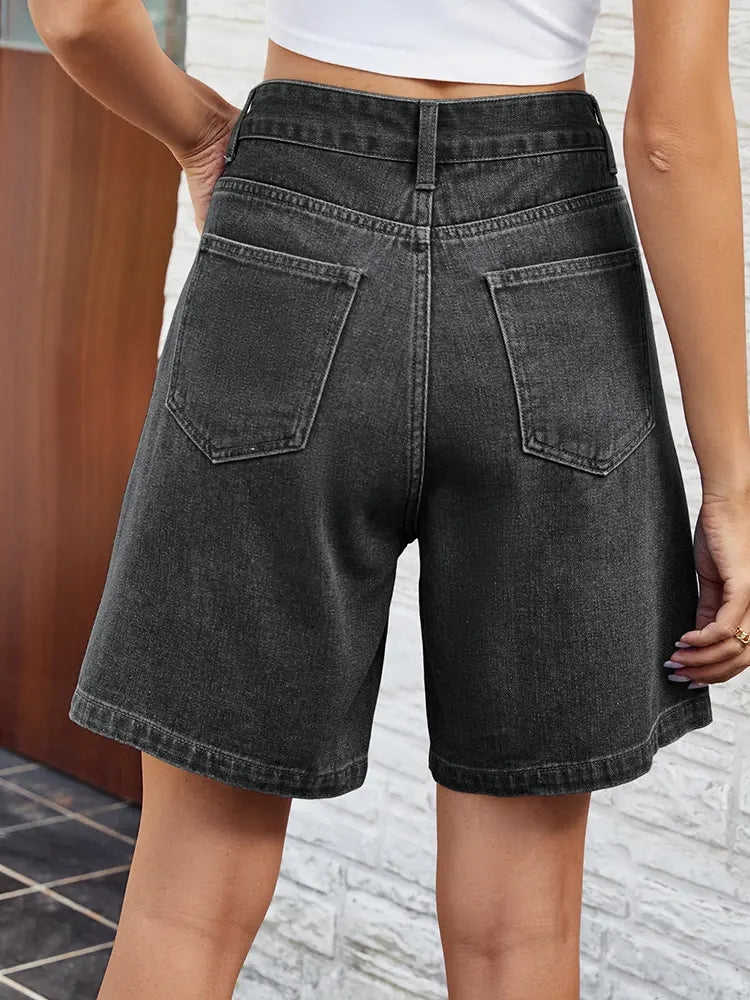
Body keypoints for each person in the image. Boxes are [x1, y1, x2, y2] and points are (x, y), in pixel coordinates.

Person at [28, 1, 749, 998]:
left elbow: (76, 19)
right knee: (519, 932)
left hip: (290, 226)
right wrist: (733, 483)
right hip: (550, 262)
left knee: (186, 904)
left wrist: (198, 132)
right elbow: (672, 139)